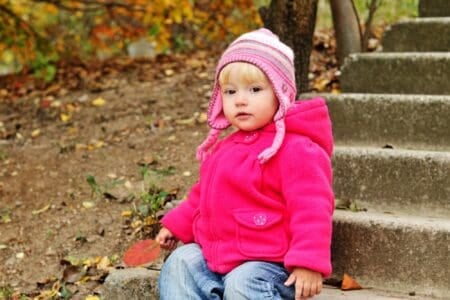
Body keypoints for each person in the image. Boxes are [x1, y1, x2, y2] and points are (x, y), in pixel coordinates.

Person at [155, 28, 334, 300]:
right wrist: (177, 225)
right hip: (218, 256)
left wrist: (308, 262)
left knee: (242, 281)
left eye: (255, 89)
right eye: (229, 91)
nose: (240, 99)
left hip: (270, 265)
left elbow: (312, 208)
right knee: (181, 261)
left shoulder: (298, 149)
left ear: (281, 94)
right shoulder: (225, 148)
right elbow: (202, 196)